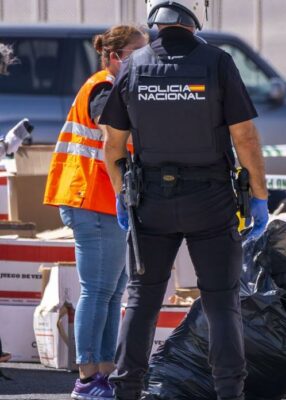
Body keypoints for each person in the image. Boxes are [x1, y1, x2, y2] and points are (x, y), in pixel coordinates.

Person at [101, 2, 270, 399]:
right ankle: (229, 392)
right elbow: (244, 138)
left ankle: (126, 390)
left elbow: (113, 144)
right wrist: (259, 197)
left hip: (150, 201)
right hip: (210, 200)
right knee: (221, 300)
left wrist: (122, 195)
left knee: (142, 299)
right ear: (196, 12)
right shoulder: (217, 62)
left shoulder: (134, 65)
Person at [41, 25, 147, 400]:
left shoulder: (112, 86)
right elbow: (114, 138)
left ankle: (102, 372)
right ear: (115, 56)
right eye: (138, 52)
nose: (145, 59)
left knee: (111, 292)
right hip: (91, 198)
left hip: (102, 200)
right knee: (99, 291)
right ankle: (88, 378)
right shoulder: (104, 88)